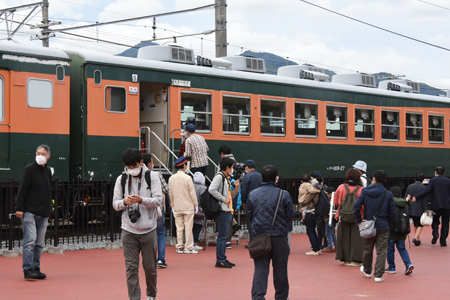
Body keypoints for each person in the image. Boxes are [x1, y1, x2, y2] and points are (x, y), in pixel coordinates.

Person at [112, 148, 163, 300]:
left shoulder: (152, 176)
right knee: (131, 268)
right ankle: (134, 298)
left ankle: (151, 294)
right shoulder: (121, 179)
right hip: (128, 230)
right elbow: (115, 204)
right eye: (129, 167)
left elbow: (159, 200)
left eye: (134, 166)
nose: (132, 170)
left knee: (150, 268)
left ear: (141, 162)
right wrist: (124, 202)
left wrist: (142, 200)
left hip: (148, 230)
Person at [246, 165, 294, 300]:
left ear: (261, 178)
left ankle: (258, 296)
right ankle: (281, 297)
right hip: (279, 237)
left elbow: (249, 214)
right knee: (280, 269)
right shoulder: (283, 194)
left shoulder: (253, 194)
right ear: (276, 179)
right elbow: (290, 215)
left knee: (260, 269)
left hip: (260, 237)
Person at [15, 144, 52, 280]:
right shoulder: (29, 169)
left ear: (48, 156)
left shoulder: (48, 171)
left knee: (39, 243)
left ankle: (36, 268)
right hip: (29, 211)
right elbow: (22, 189)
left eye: (43, 154)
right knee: (30, 240)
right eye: (38, 153)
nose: (40, 156)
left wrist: (48, 211)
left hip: (42, 213)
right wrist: (19, 208)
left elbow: (48, 192)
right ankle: (28, 269)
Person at [354, 170, 396, 283]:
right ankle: (378, 275)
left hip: (368, 224)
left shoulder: (365, 191)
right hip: (383, 225)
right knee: (381, 251)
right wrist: (387, 221)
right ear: (385, 181)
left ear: (374, 179)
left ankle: (367, 270)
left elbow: (356, 205)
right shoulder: (388, 194)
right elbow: (392, 212)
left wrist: (359, 219)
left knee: (368, 249)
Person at [142, 153, 169, 268]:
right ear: (149, 164)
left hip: (146, 209)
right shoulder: (157, 174)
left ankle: (149, 260)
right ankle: (161, 259)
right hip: (158, 208)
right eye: (152, 162)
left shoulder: (140, 176)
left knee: (148, 234)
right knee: (161, 233)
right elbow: (167, 189)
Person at [168, 156, 199, 254]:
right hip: (188, 206)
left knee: (179, 227)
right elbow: (192, 193)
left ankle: (180, 246)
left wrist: (172, 204)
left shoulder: (171, 178)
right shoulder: (188, 178)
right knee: (188, 227)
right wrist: (196, 204)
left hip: (177, 206)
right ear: (184, 165)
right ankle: (188, 247)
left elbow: (170, 193)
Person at [413, 166, 450, 246]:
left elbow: (427, 190)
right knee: (446, 223)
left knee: (435, 221)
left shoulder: (433, 180)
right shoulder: (448, 180)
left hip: (436, 205)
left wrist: (417, 196)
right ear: (443, 172)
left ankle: (435, 233)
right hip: (447, 205)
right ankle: (443, 241)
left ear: (436, 172)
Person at [334, 169, 364, 265]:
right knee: (356, 239)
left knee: (344, 237)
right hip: (357, 217)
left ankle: (346, 258)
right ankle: (355, 259)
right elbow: (364, 205)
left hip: (343, 216)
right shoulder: (361, 189)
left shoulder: (341, 187)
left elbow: (336, 202)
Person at [209, 156, 235, 268]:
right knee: (223, 236)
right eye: (232, 168)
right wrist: (223, 199)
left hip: (226, 209)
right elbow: (211, 189)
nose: (232, 170)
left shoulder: (225, 178)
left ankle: (222, 258)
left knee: (224, 236)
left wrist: (236, 189)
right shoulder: (220, 177)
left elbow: (229, 195)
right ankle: (220, 260)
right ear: (227, 167)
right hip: (223, 210)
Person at [385, 186, 414, 275]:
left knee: (390, 250)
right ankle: (408, 263)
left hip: (391, 232)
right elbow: (410, 208)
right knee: (402, 249)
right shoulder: (405, 203)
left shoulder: (389, 203)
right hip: (402, 232)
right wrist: (408, 201)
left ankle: (392, 267)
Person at [241, 159, 263, 245]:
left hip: (250, 202)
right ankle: (259, 241)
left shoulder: (247, 177)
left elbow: (244, 191)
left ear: (247, 167)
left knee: (250, 222)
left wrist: (244, 202)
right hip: (260, 202)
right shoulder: (260, 176)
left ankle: (252, 241)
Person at [299, 173, 321, 255]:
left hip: (309, 211)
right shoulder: (310, 186)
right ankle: (317, 248)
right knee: (313, 230)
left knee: (310, 231)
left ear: (301, 181)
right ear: (309, 180)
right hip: (312, 210)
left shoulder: (302, 187)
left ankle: (314, 249)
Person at [405, 173, 428, 246]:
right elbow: (425, 200)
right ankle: (415, 237)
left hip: (412, 208)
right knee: (420, 224)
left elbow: (406, 197)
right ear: (423, 180)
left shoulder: (410, 186)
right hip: (420, 208)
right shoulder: (424, 188)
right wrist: (426, 209)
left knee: (416, 224)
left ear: (414, 179)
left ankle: (418, 239)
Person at [193, 172, 207, 250]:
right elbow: (203, 199)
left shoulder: (191, 185)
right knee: (198, 227)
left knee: (191, 227)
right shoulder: (202, 188)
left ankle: (191, 242)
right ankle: (195, 242)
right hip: (200, 210)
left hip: (191, 209)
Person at [323, 186, 337, 253]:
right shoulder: (335, 200)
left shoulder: (331, 201)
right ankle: (336, 245)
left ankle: (330, 246)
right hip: (333, 218)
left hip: (329, 218)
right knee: (332, 232)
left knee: (328, 232)